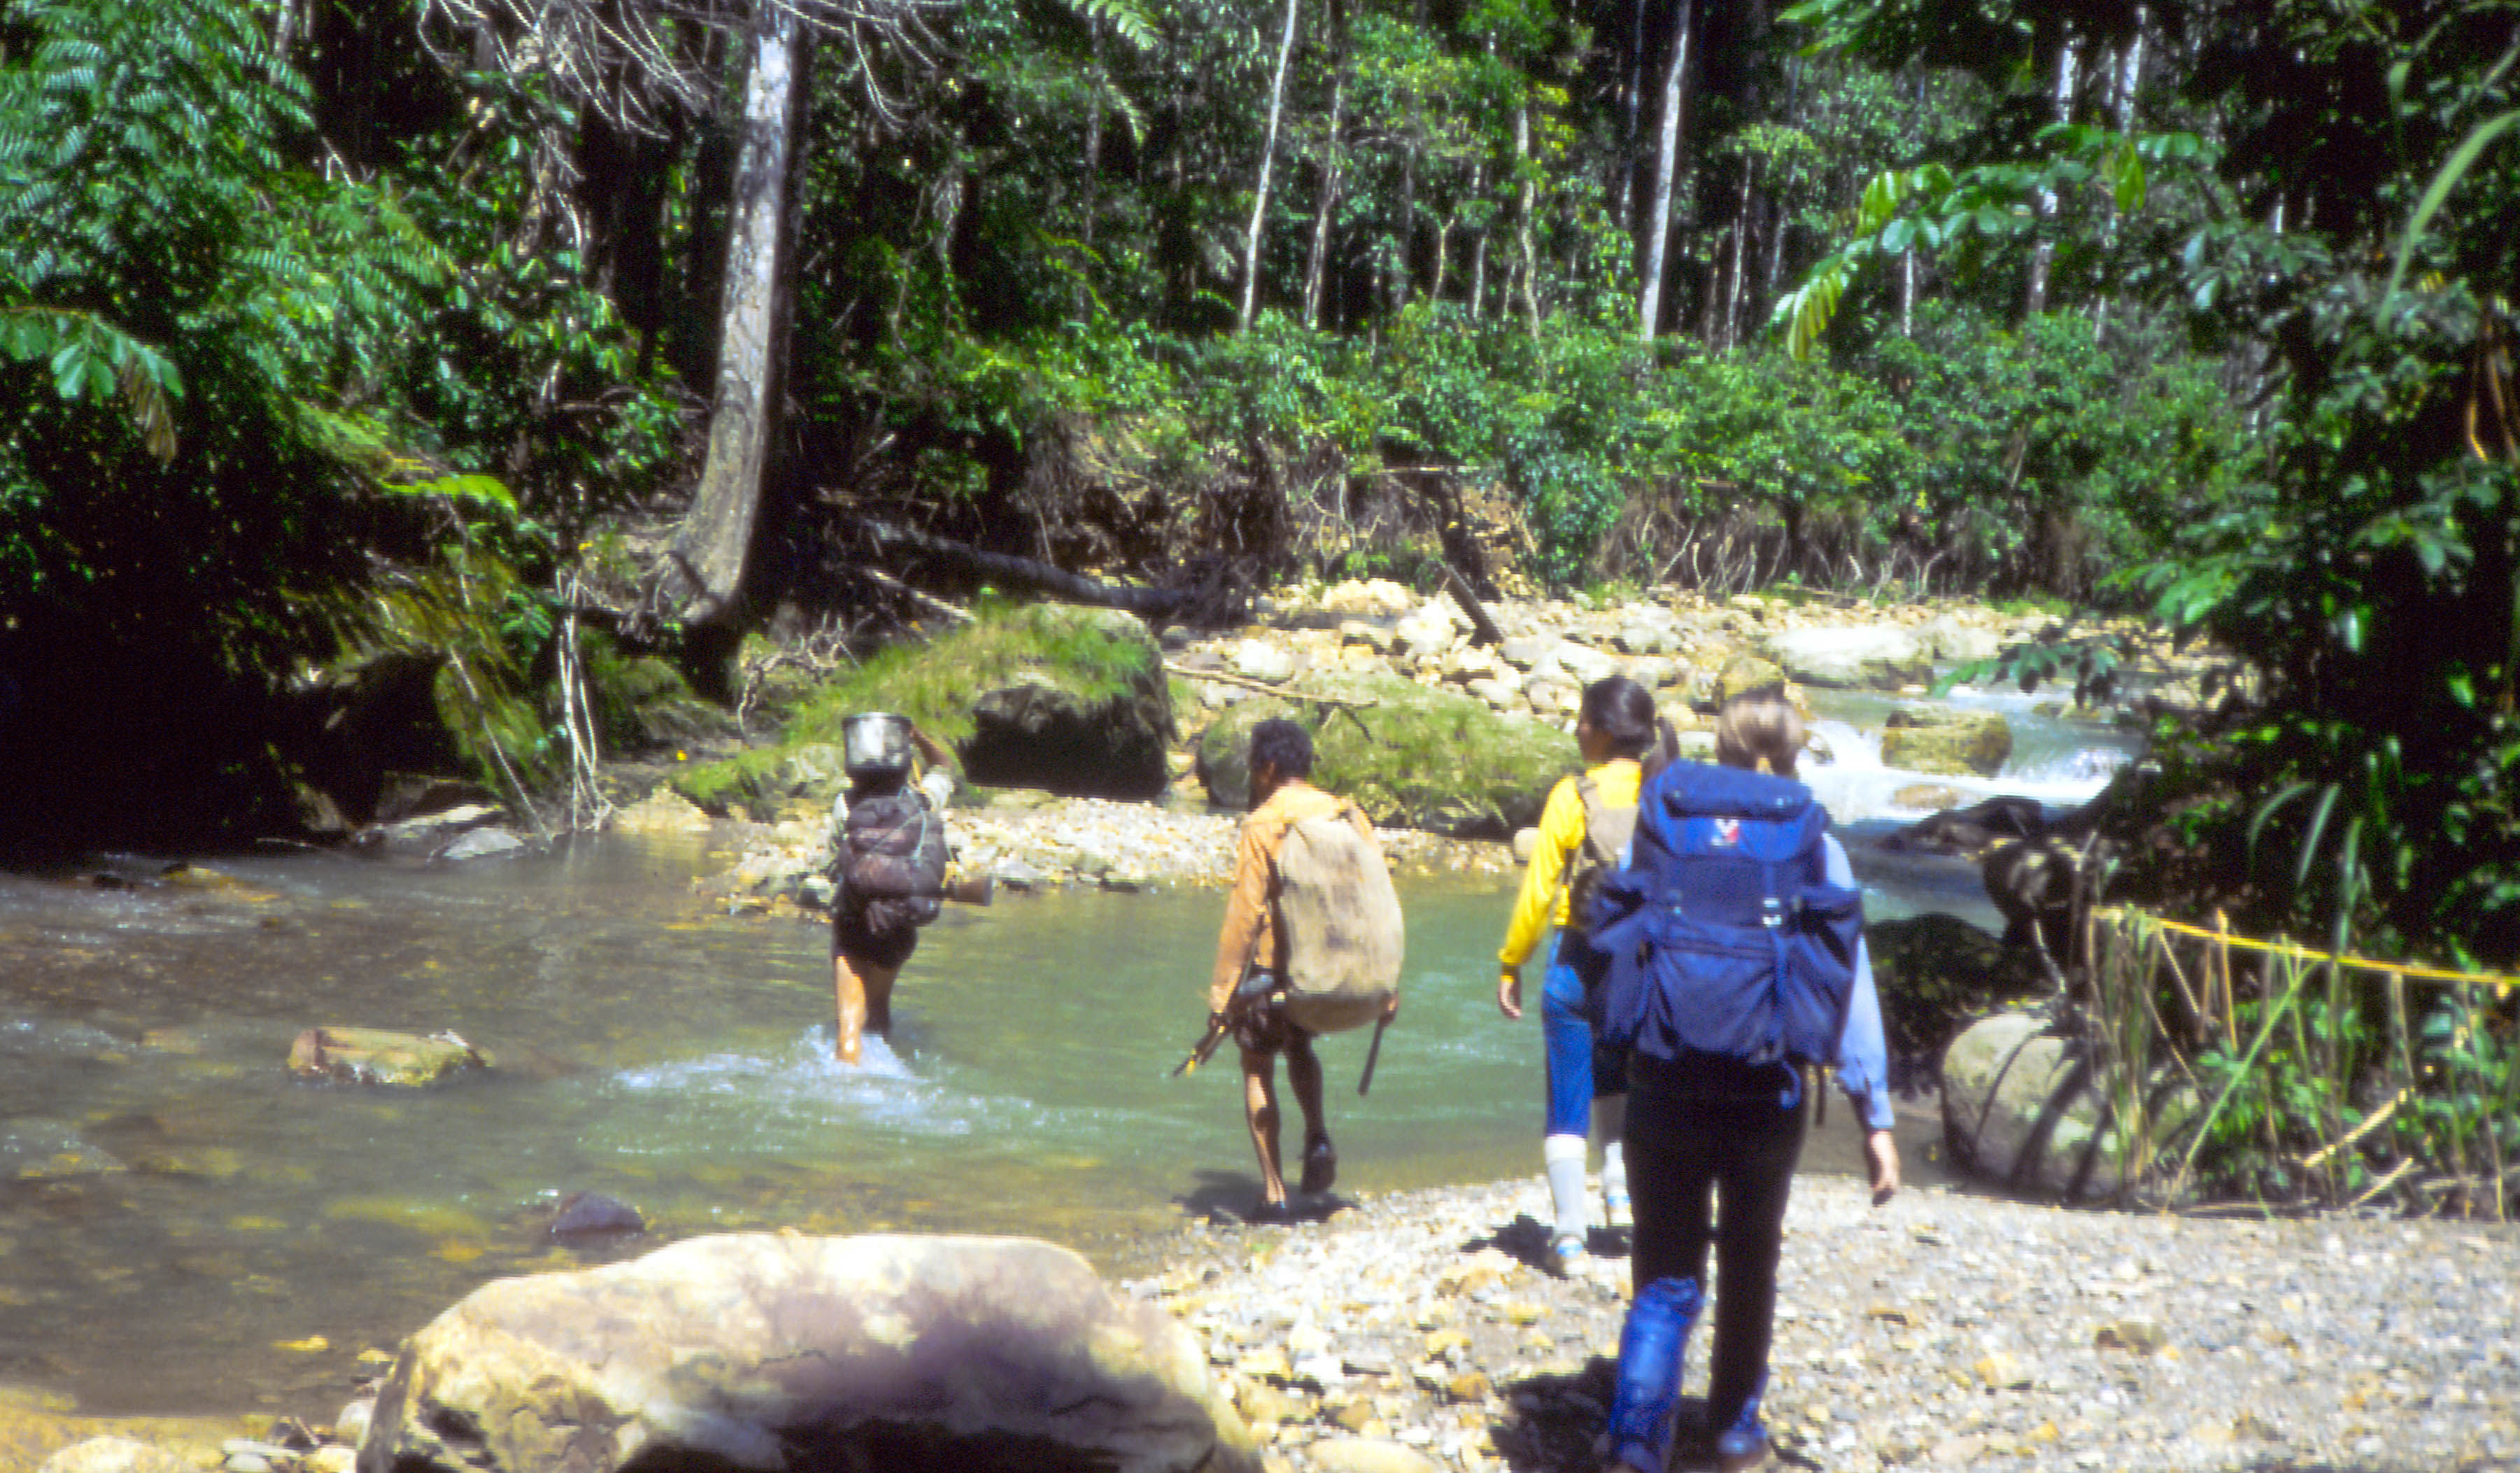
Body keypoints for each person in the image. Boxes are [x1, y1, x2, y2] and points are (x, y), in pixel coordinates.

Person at [1599, 689, 1901, 1473]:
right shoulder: (1811, 838)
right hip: (1767, 1091)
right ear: (1795, 754)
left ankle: (1635, 1440)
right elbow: (1849, 983)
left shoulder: (1665, 821)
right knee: (1748, 1254)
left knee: (1664, 1269)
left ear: (1718, 749)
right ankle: (1733, 1430)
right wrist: (1874, 1114)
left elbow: (1624, 938)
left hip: (1664, 1075)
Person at [1497, 675, 1666, 1276]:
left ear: (1599, 729)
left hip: (1579, 958)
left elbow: (1540, 888)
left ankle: (1569, 1237)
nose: (1574, 729)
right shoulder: (1664, 790)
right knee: (1620, 1076)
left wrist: (1511, 961)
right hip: (1644, 965)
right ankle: (1622, 1197)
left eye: (1580, 720)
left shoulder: (1573, 795)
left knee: (1569, 1095)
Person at [1208, 718, 1399, 1224]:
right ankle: (1317, 1133)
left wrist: (1222, 995)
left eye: (1254, 767)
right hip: (1330, 971)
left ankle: (1274, 1191)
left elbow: (1244, 917)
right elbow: (1379, 901)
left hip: (1275, 974)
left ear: (1268, 768)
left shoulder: (1263, 823)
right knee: (1301, 1044)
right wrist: (1388, 982)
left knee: (1255, 1064)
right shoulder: (1349, 814)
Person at [831, 721, 956, 1065]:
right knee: (879, 1006)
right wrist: (922, 738)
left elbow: (832, 860)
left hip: (854, 918)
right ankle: (883, 1062)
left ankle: (847, 1084)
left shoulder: (845, 803)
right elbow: (944, 766)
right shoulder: (924, 799)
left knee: (849, 1027)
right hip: (902, 920)